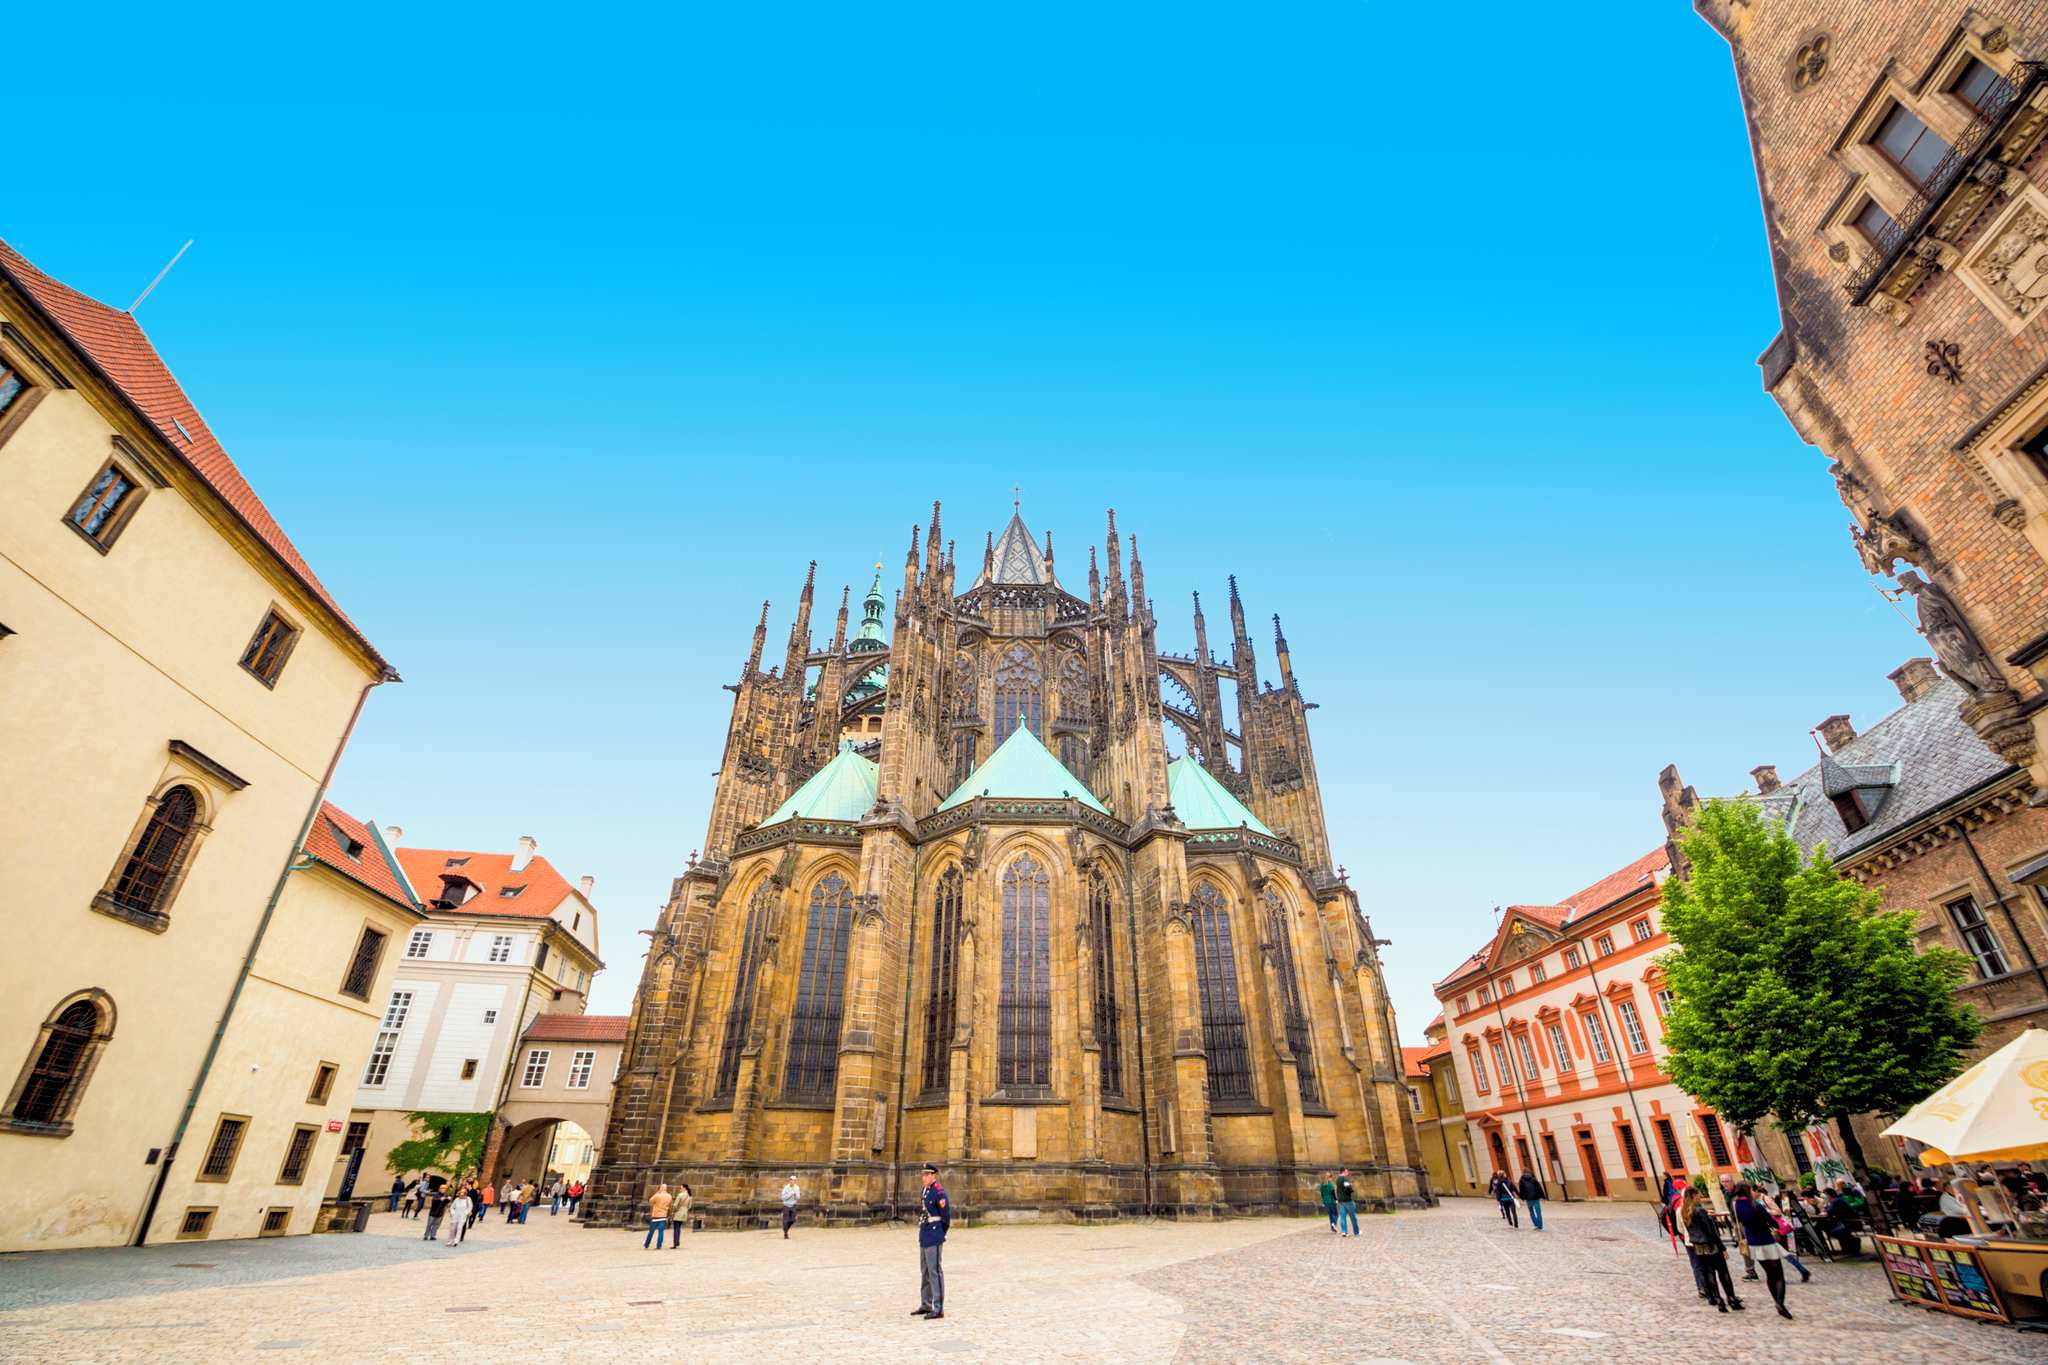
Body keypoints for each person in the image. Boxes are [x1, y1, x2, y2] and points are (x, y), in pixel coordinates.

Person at [1731, 1183, 1792, 1319]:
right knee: (1779, 1274)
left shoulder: (1736, 1205)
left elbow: (1738, 1219)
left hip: (1752, 1241)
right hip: (1766, 1239)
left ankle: (1776, 1301)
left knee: (1769, 1274)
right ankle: (1780, 1303)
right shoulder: (1755, 1205)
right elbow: (1773, 1222)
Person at [1682, 1185, 1742, 1312]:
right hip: (1710, 1245)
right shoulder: (1700, 1210)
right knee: (1723, 1272)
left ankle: (1719, 1299)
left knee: (1709, 1273)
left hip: (1698, 1246)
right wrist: (1722, 1247)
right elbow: (1711, 1231)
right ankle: (1731, 1298)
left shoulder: (1685, 1211)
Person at [912, 1163, 949, 1321]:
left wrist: (941, 1233)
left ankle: (938, 1307)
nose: (925, 1177)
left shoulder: (939, 1192)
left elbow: (945, 1216)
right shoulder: (925, 1191)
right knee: (925, 1271)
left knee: (934, 1271)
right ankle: (926, 1304)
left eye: (927, 1175)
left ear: (934, 1175)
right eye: (923, 1175)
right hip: (925, 1234)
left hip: (934, 1235)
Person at [645, 1183, 673, 1249]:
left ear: (660, 1188)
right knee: (661, 1232)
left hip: (655, 1216)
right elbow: (670, 1207)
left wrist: (656, 1193)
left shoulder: (658, 1196)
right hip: (663, 1216)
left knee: (651, 1231)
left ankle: (647, 1244)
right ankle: (659, 1245)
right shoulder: (669, 1196)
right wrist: (668, 1215)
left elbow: (651, 1201)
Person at [1334, 1168, 1359, 1237]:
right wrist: (1350, 1187)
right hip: (1347, 1200)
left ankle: (1344, 1231)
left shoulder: (1338, 1179)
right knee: (1353, 1216)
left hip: (1341, 1200)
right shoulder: (1344, 1178)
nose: (1348, 1173)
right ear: (1342, 1172)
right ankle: (1356, 1232)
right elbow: (1347, 1187)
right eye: (1346, 1171)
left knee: (1343, 1216)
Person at [781, 1174, 801, 1239]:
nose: (791, 1181)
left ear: (795, 1181)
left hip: (793, 1205)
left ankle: (786, 1228)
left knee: (793, 1219)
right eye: (790, 1180)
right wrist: (789, 1195)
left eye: (792, 1180)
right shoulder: (786, 1188)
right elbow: (783, 1197)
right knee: (786, 1219)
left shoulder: (796, 1188)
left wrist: (795, 1195)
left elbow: (798, 1197)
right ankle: (785, 1233)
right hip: (786, 1205)